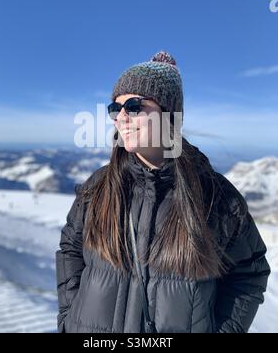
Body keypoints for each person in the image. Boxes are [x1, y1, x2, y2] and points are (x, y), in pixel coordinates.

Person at [56, 51, 271, 333]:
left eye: (134, 105)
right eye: (115, 107)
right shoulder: (98, 188)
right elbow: (70, 249)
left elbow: (249, 274)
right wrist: (70, 317)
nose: (121, 117)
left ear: (169, 115)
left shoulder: (214, 197)